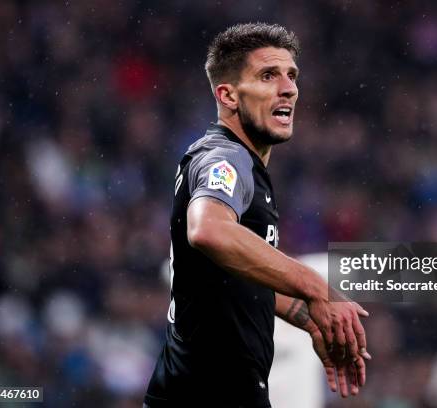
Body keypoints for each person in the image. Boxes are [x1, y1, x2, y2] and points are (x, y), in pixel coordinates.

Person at [144, 23, 371, 408]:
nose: (289, 88)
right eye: (268, 75)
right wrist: (315, 286)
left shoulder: (244, 167)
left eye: (292, 75)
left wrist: (309, 319)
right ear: (228, 95)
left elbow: (226, 276)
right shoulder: (225, 158)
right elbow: (209, 231)